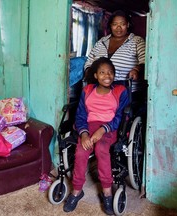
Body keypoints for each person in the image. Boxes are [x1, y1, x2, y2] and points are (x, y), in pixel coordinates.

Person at [63, 57, 129, 215]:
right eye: (102, 72)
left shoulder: (120, 91)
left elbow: (121, 116)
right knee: (80, 151)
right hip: (88, 126)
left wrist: (103, 129)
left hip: (110, 128)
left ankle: (107, 193)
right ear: (95, 76)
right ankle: (77, 191)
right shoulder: (87, 91)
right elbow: (80, 116)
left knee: (101, 149)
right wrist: (84, 133)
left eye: (111, 72)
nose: (107, 76)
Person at [84, 10, 146, 95]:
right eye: (115, 24)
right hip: (99, 91)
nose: (118, 28)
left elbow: (145, 61)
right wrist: (90, 73)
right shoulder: (102, 41)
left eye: (122, 24)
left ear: (127, 25)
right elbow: (89, 62)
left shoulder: (137, 41)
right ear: (110, 25)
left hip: (127, 92)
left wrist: (136, 70)